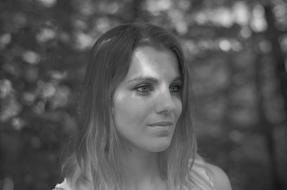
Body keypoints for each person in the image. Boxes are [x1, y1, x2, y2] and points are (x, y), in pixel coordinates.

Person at [53, 23, 232, 190]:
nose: (168, 104)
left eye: (175, 88)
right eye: (144, 88)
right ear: (104, 99)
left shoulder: (212, 183)